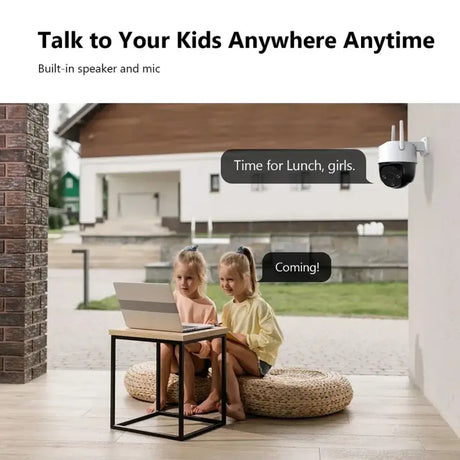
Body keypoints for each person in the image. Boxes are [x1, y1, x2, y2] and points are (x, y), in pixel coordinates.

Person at [195, 246, 283, 420]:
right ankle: (236, 406)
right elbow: (228, 338)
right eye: (221, 279)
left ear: (247, 278)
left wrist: (241, 338)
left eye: (230, 279)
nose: (225, 284)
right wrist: (217, 329)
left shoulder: (259, 305)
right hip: (239, 359)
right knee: (222, 358)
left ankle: (214, 395)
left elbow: (274, 338)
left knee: (219, 342)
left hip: (259, 361)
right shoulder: (228, 308)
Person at [146, 245, 217, 416]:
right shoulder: (173, 298)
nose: (183, 283)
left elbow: (211, 346)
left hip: (197, 361)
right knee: (165, 346)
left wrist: (197, 346)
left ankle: (189, 399)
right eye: (179, 277)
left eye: (189, 278)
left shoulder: (208, 306)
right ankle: (161, 396)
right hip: (173, 360)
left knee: (181, 348)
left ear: (200, 278)